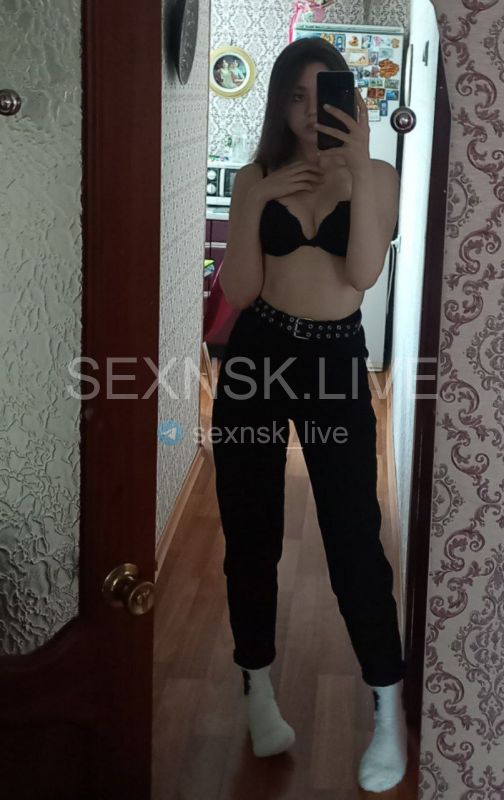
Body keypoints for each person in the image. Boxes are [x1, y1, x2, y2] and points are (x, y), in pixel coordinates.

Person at [210, 37, 407, 793]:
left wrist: (356, 165)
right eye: (295, 95)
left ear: (349, 100)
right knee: (250, 529)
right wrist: (254, 202)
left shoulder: (378, 175)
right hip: (257, 358)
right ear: (279, 103)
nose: (307, 110)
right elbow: (239, 291)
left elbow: (362, 274)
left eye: (323, 94)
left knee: (354, 535)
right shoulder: (257, 176)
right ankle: (257, 685)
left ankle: (386, 706)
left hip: (333, 363)